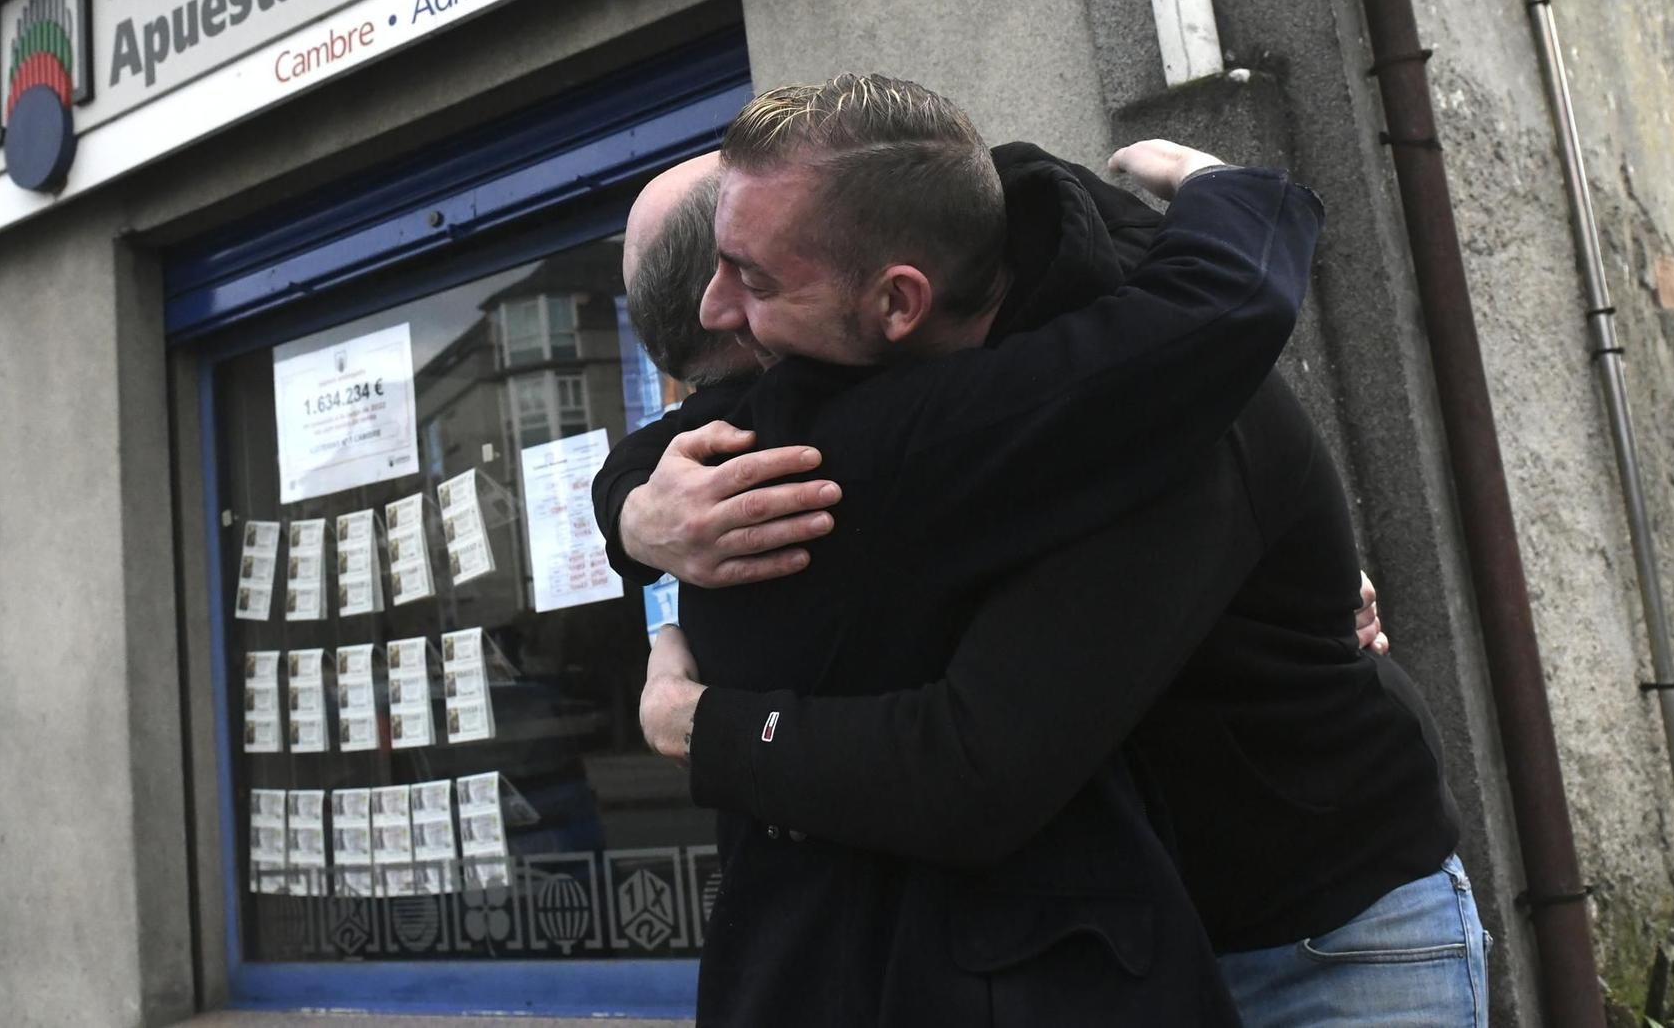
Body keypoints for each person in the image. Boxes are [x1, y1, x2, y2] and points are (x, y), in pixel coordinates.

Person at [600, 75, 1482, 1028]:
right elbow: (728, 421)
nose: (725, 310)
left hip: (1329, 935)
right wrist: (639, 514)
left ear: (899, 301)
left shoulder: (1147, 413)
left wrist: (698, 725)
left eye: (754, 280)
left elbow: (974, 766)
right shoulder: (918, 361)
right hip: (1140, 946)